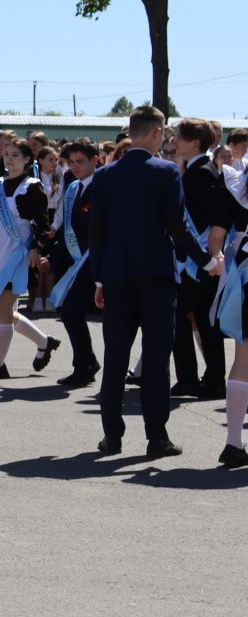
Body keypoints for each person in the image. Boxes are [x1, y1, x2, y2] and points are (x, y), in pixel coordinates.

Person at [89, 105, 212, 458]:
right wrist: (204, 260)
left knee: (115, 356)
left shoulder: (106, 174)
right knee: (157, 358)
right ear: (158, 133)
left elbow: (96, 231)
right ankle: (156, 437)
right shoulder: (166, 172)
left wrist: (100, 277)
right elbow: (176, 225)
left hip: (115, 275)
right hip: (157, 275)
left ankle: (111, 435)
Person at [0, 137, 62, 382]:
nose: (10, 159)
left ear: (27, 159)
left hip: (20, 253)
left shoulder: (31, 185)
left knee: (2, 306)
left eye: (16, 154)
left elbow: (42, 222)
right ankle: (44, 341)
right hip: (0, 250)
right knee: (1, 309)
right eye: (7, 154)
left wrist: (37, 249)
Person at [173, 118, 239, 399]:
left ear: (195, 142)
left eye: (179, 137)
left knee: (195, 316)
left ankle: (206, 381)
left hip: (202, 260)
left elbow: (218, 216)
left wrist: (212, 255)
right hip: (198, 258)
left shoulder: (200, 172)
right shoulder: (197, 169)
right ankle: (204, 379)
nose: (174, 142)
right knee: (196, 316)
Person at [48, 139, 103, 388]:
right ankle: (86, 362)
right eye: (70, 162)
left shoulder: (102, 186)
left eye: (80, 161)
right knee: (70, 311)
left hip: (95, 259)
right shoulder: (74, 187)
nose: (75, 166)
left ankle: (85, 364)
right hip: (76, 259)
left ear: (95, 160)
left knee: (72, 311)